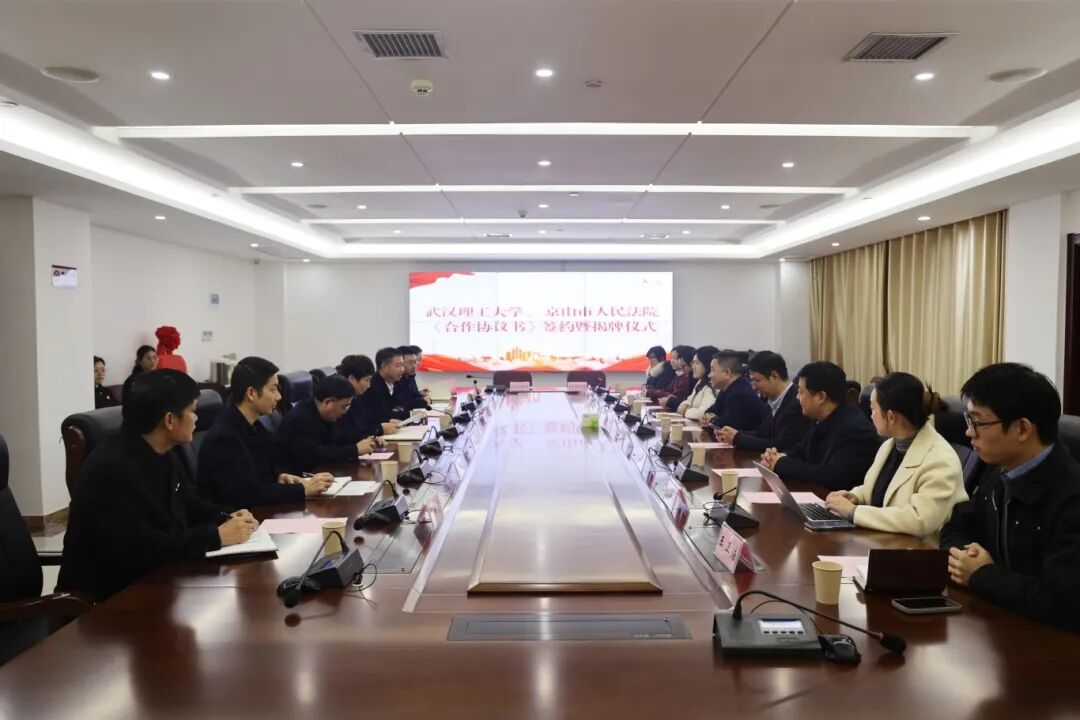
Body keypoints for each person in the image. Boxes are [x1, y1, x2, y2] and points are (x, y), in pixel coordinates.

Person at [57, 370, 257, 601]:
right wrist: (215, 536)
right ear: (170, 420)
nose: (197, 418)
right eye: (192, 411)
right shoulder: (110, 469)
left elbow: (186, 503)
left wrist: (226, 515)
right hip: (108, 602)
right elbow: (141, 548)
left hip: (156, 580)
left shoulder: (160, 450)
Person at [940, 363, 1080, 633]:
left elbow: (1063, 602)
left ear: (1022, 429)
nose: (969, 432)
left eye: (978, 422)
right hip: (999, 626)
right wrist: (964, 557)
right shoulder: (1000, 472)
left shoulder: (1071, 497)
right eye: (969, 421)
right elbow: (955, 526)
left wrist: (982, 575)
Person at [824, 372, 966, 537]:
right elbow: (880, 489)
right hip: (884, 540)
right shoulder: (889, 445)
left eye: (873, 409)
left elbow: (919, 519)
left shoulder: (940, 459)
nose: (871, 415)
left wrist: (853, 511)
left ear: (891, 417)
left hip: (919, 549)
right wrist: (855, 496)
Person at [197, 356, 333, 507]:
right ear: (251, 393)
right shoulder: (224, 438)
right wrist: (303, 490)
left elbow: (262, 474)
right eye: (273, 389)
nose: (279, 396)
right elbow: (248, 493)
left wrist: (280, 477)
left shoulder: (253, 425)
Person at [760, 361, 881, 491]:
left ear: (820, 397)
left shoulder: (855, 430)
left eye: (801, 392)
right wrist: (776, 457)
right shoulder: (820, 418)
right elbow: (801, 451)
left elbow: (832, 477)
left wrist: (783, 464)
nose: (797, 398)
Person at [275, 375, 381, 474]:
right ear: (328, 402)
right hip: (303, 477)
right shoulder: (300, 419)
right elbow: (315, 455)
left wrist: (364, 440)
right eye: (344, 406)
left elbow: (337, 438)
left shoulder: (323, 413)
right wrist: (355, 450)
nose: (345, 412)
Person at [716, 351, 808, 452]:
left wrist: (738, 438)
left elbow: (782, 445)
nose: (754, 387)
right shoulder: (771, 400)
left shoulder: (797, 402)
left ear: (774, 376)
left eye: (757, 380)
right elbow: (762, 434)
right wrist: (734, 434)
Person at [336, 354, 400, 444]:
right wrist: (379, 429)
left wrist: (384, 424)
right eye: (367, 380)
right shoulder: (341, 401)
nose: (369, 385)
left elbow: (367, 420)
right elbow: (350, 434)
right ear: (351, 378)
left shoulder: (356, 398)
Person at [701, 353, 767, 431]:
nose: (709, 375)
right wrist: (708, 418)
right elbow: (710, 412)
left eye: (712, 370)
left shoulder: (740, 394)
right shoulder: (726, 389)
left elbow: (723, 427)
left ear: (727, 373)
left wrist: (713, 420)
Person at [358, 347, 409, 423]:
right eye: (398, 366)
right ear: (384, 367)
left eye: (402, 365)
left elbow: (404, 404)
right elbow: (380, 414)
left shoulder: (398, 382)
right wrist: (409, 414)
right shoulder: (372, 386)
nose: (402, 370)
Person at [678, 346, 718, 420]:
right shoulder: (700, 382)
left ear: (707, 364)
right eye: (693, 363)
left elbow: (704, 413)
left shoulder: (711, 385)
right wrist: (685, 405)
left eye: (697, 363)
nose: (693, 367)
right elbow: (688, 401)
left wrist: (686, 411)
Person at [395, 345, 430, 411]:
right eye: (410, 363)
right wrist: (423, 401)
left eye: (415, 362)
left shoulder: (410, 376)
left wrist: (423, 398)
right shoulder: (396, 379)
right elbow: (404, 403)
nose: (415, 366)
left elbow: (414, 396)